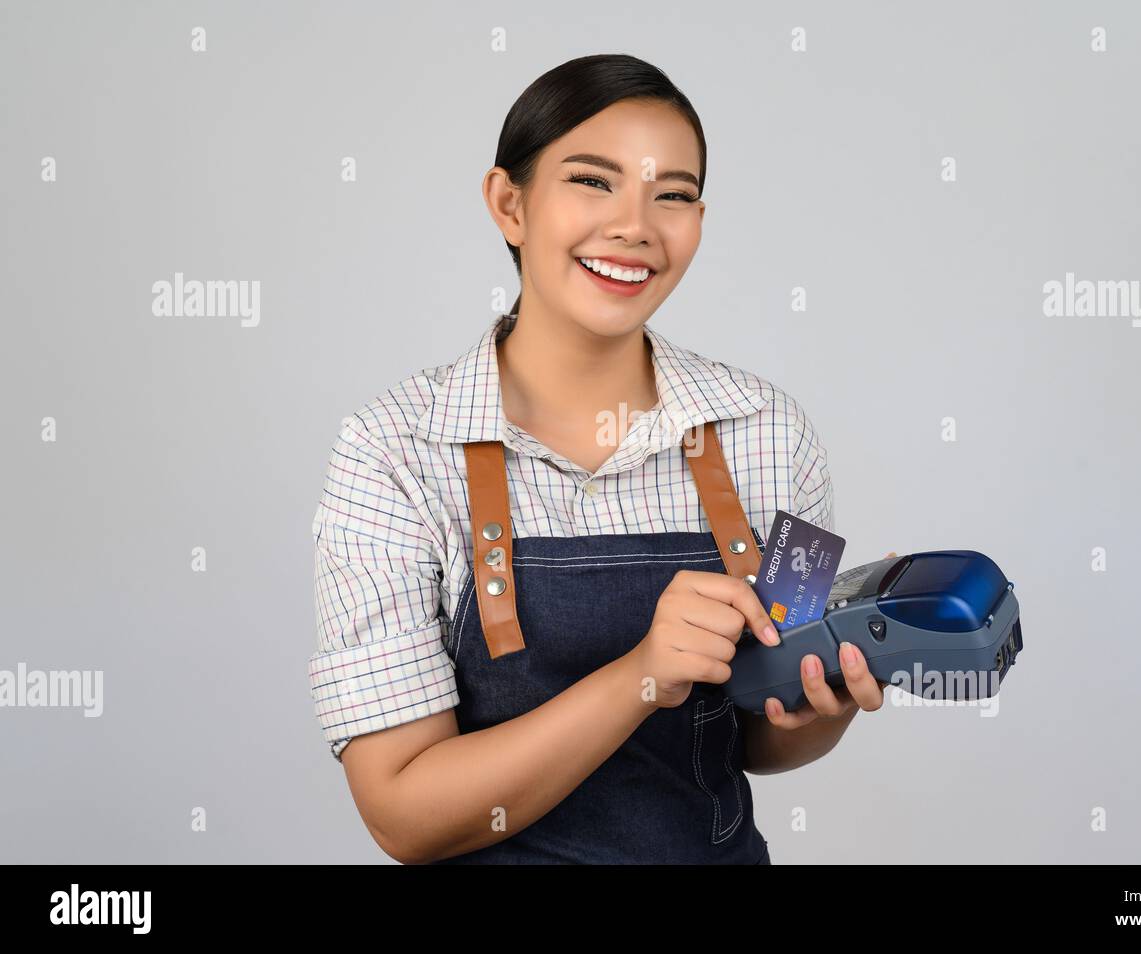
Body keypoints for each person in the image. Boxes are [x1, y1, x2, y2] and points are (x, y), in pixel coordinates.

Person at [308, 53, 890, 865]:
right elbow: (403, 814)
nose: (636, 226)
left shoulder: (773, 432)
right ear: (509, 204)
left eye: (674, 195)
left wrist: (828, 705)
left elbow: (767, 737)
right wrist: (640, 675)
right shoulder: (393, 452)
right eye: (592, 180)